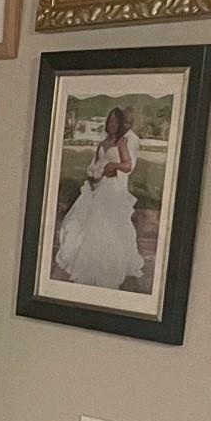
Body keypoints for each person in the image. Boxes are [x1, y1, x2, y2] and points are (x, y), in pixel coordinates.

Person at [53, 107, 145, 289]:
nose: (112, 124)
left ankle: (106, 266)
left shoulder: (121, 142)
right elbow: (95, 164)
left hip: (111, 188)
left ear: (120, 124)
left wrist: (113, 166)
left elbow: (127, 166)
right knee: (84, 224)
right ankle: (87, 263)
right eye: (110, 121)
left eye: (115, 122)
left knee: (104, 224)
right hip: (97, 187)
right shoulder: (103, 143)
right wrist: (93, 176)